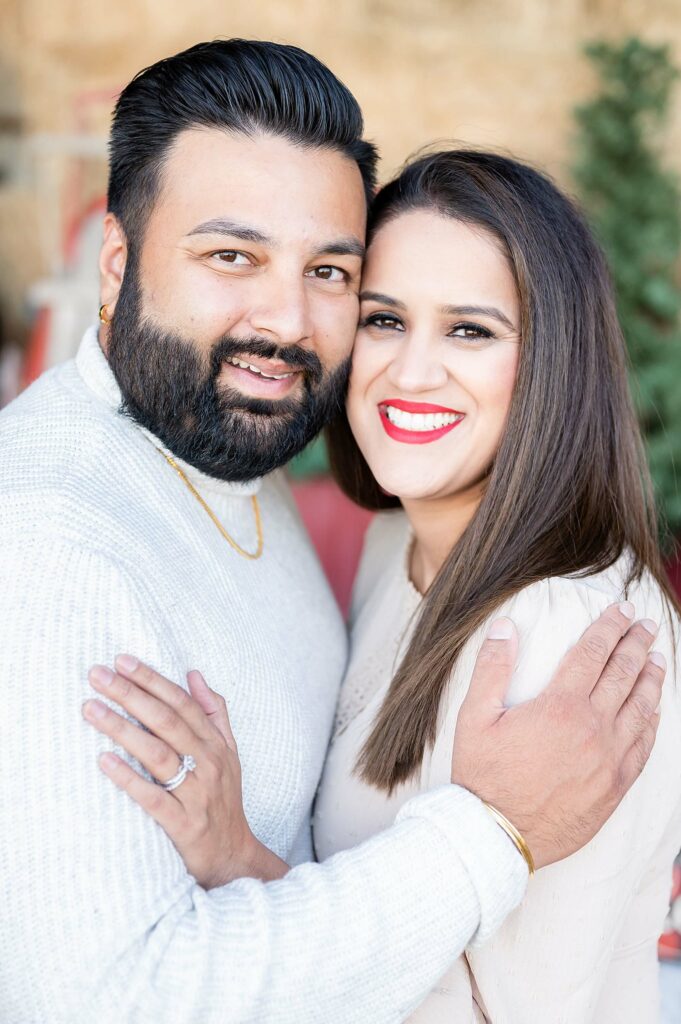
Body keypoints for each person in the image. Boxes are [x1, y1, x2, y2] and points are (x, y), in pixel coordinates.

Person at [0, 41, 663, 1024]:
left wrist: (245, 863)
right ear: (116, 260)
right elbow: (103, 1001)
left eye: (329, 271)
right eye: (232, 255)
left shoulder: (556, 629)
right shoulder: (47, 538)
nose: (284, 321)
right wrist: (485, 835)